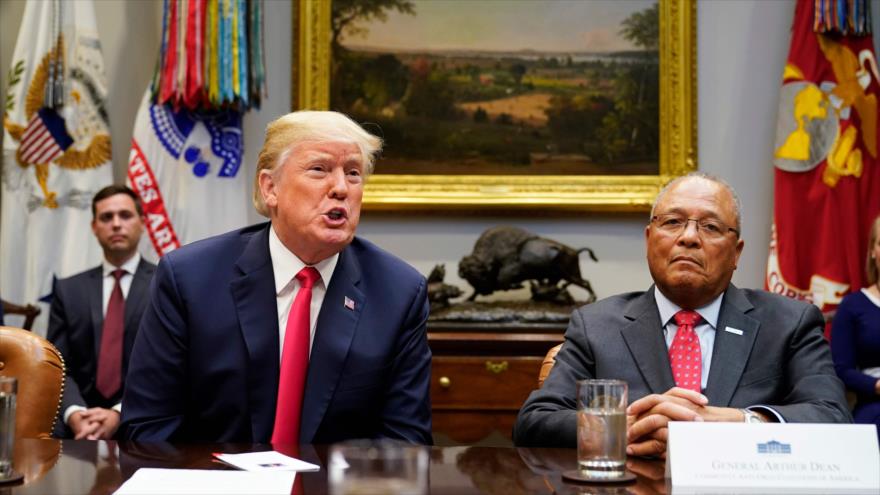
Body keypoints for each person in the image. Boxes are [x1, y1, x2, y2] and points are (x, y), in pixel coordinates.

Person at [120, 111, 432, 445]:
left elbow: (405, 442)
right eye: (319, 169)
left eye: (353, 173)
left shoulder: (398, 293)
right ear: (270, 188)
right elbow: (147, 428)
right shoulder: (189, 279)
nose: (341, 188)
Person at [513, 173, 851, 456]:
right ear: (649, 239)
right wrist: (625, 426)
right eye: (672, 222)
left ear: (736, 253)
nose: (688, 237)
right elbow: (535, 421)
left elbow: (834, 417)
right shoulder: (596, 325)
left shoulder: (789, 323)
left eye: (711, 227)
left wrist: (742, 422)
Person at [47, 185, 155, 440]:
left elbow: (168, 369)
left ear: (142, 222)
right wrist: (75, 414)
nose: (116, 224)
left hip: (143, 422)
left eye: (125, 215)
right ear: (94, 227)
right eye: (106, 217)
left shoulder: (165, 284)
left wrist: (119, 413)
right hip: (77, 426)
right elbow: (57, 364)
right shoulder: (68, 290)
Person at [831, 214, 880, 438]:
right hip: (874, 405)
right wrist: (876, 385)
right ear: (873, 251)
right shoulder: (853, 306)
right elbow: (841, 370)